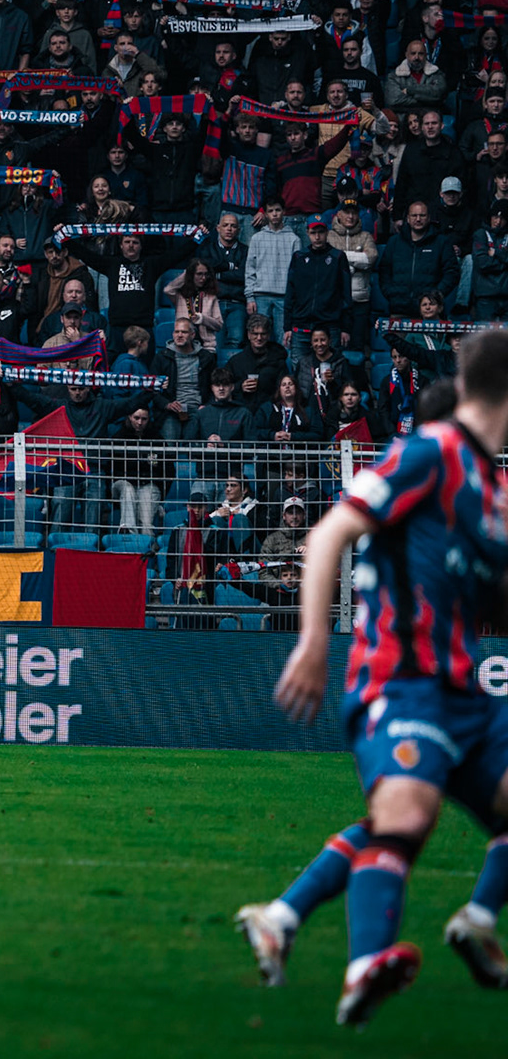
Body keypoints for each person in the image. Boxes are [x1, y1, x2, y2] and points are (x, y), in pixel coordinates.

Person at [258, 330, 508, 1024]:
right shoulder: (431, 451)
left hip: (466, 690)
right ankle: (365, 964)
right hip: (401, 679)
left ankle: (479, 919)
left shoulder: (492, 484)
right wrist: (313, 641)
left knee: (399, 820)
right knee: (404, 818)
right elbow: (331, 530)